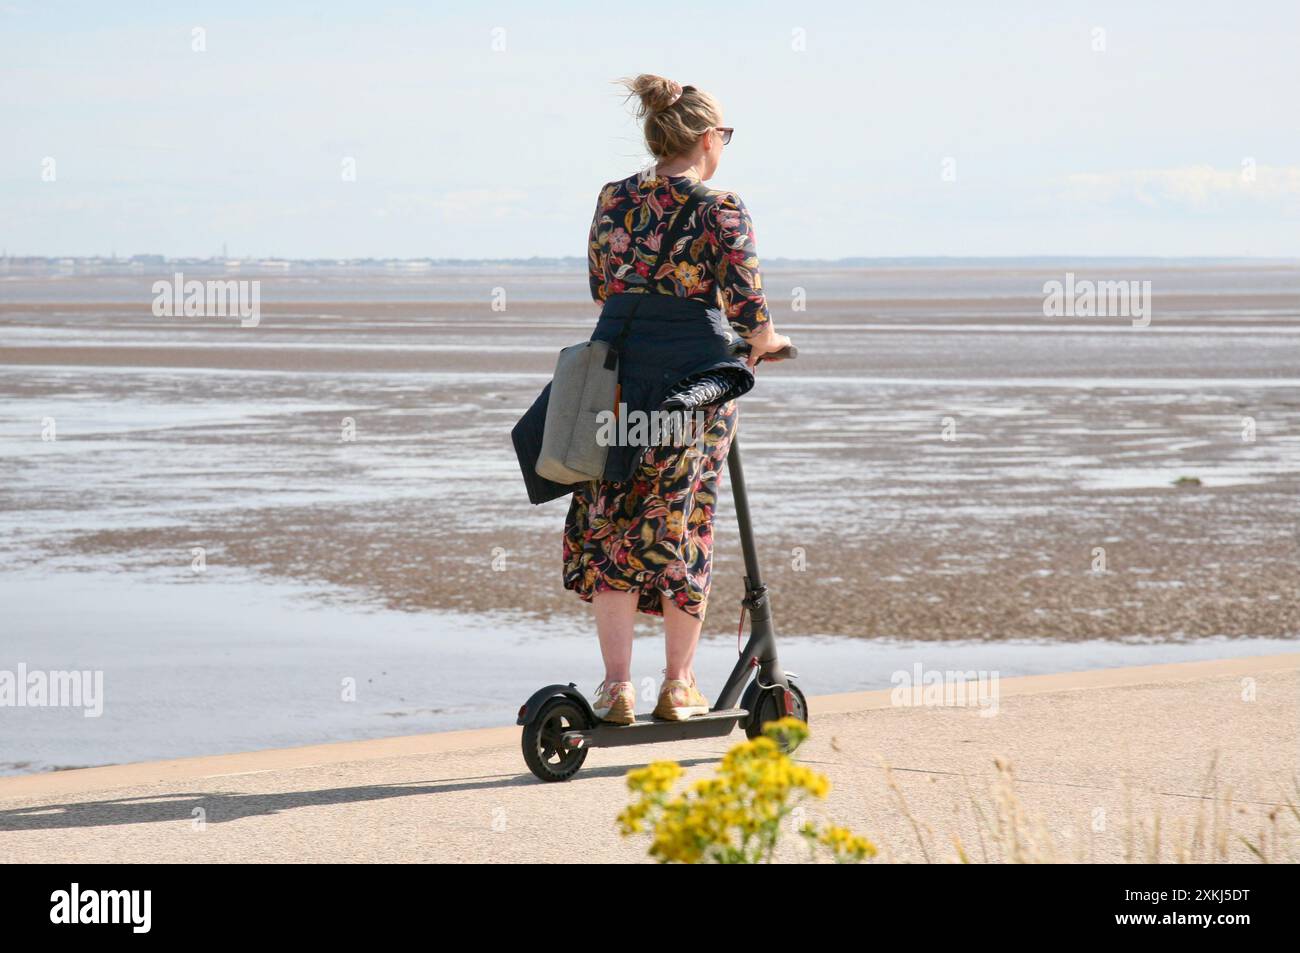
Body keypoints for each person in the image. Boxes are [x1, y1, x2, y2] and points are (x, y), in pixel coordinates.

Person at [564, 73, 794, 725]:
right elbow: (749, 305)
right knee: (682, 523)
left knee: (612, 521)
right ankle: (679, 683)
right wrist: (767, 342)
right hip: (689, 386)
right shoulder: (721, 206)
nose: (724, 144)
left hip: (612, 379)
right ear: (702, 137)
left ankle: (615, 689)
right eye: (723, 133)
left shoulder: (612, 198)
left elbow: (600, 284)